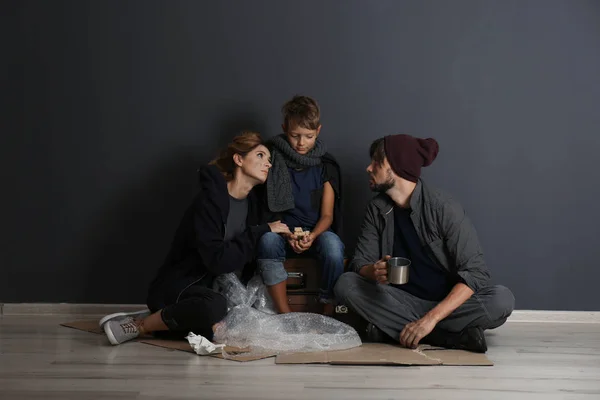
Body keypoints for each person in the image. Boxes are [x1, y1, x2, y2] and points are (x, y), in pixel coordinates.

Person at [99, 131, 291, 345]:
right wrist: (260, 231)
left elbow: (254, 248)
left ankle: (165, 318)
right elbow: (217, 261)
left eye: (269, 159)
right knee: (214, 307)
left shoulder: (254, 206)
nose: (268, 164)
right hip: (182, 285)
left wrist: (288, 236)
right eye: (260, 156)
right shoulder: (211, 201)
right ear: (239, 159)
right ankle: (140, 326)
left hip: (216, 291)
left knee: (234, 326)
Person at [334, 134, 515, 353]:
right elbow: (360, 262)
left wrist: (430, 318)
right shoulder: (377, 209)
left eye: (376, 163)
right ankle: (449, 337)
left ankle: (394, 330)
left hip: (445, 305)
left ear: (395, 167)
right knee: (346, 284)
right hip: (399, 300)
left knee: (502, 299)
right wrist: (373, 271)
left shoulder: (444, 207)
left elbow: (476, 273)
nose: (368, 168)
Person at [258, 95, 344, 315]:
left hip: (315, 235)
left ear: (318, 130)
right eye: (295, 135)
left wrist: (312, 236)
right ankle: (284, 313)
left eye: (308, 136)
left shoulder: (326, 165)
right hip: (281, 232)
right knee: (267, 241)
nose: (301, 143)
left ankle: (327, 310)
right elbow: (264, 211)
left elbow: (327, 215)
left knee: (332, 245)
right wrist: (287, 234)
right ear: (284, 128)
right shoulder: (272, 159)